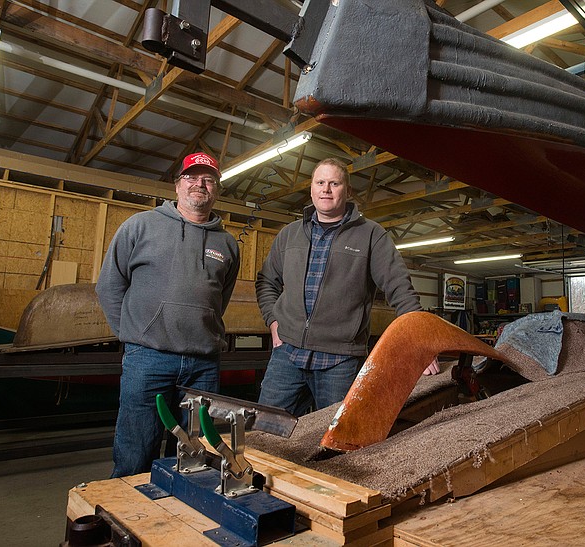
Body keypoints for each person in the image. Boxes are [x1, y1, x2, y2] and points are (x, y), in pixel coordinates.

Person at [255, 157, 439, 417]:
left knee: (337, 444)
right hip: (287, 355)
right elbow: (266, 281)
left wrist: (420, 343)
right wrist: (274, 322)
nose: (326, 189)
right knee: (266, 432)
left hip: (339, 361)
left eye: (334, 183)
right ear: (311, 189)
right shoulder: (290, 234)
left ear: (348, 191)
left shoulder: (372, 235)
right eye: (320, 182)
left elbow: (400, 289)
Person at [96, 152, 240, 477]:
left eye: (208, 179)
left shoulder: (228, 244)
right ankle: (127, 522)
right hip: (148, 359)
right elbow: (109, 286)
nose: (199, 184)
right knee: (136, 453)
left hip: (203, 365)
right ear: (177, 185)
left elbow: (220, 298)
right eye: (191, 177)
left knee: (192, 455)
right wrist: (135, 335)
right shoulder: (140, 226)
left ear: (216, 189)